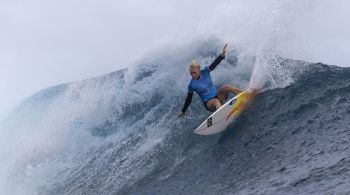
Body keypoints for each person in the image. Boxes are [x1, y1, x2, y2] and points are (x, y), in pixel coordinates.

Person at [179, 43, 243, 117]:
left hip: (218, 96)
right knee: (216, 101)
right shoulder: (191, 85)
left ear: (199, 70)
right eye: (191, 73)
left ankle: (245, 95)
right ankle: (223, 116)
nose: (193, 75)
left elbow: (214, 64)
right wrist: (183, 111)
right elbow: (188, 99)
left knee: (227, 87)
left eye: (194, 73)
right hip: (209, 103)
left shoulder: (205, 71)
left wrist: (223, 54)